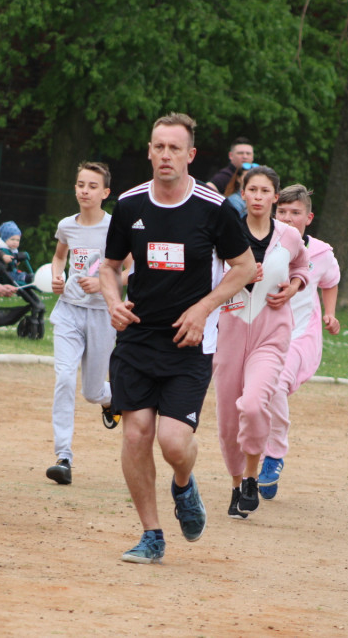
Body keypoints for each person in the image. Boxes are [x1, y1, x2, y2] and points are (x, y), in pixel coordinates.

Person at [99, 112, 255, 564]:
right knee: (136, 435)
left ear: (190, 154)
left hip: (190, 341)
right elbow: (109, 266)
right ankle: (152, 534)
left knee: (172, 442)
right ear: (149, 151)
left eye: (174, 148)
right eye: (158, 147)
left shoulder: (213, 208)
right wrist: (113, 301)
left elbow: (243, 268)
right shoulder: (130, 205)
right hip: (137, 338)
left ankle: (184, 486)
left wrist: (204, 308)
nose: (165, 155)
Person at [213, 166, 309, 519]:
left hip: (271, 334)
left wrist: (293, 287)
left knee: (253, 405)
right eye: (250, 190)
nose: (257, 197)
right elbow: (206, 275)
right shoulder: (225, 232)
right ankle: (236, 484)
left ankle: (253, 475)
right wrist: (236, 278)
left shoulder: (288, 236)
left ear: (274, 196)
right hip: (230, 332)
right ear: (243, 193)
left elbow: (301, 268)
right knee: (227, 417)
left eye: (264, 191)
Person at [260, 184, 340, 500]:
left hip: (299, 336)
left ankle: (274, 454)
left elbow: (331, 282)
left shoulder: (321, 253)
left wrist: (330, 314)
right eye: (283, 212)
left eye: (296, 213)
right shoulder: (260, 245)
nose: (289, 218)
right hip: (263, 333)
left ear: (309, 217)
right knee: (254, 397)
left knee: (276, 385)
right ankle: (257, 460)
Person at [45, 161, 120, 485]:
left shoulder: (116, 227)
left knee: (91, 392)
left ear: (105, 192)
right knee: (63, 377)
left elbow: (129, 269)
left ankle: (112, 399)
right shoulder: (67, 225)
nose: (84, 191)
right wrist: (56, 276)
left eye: (92, 186)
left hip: (102, 314)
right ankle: (63, 457)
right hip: (69, 311)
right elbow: (60, 256)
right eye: (80, 185)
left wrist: (104, 284)